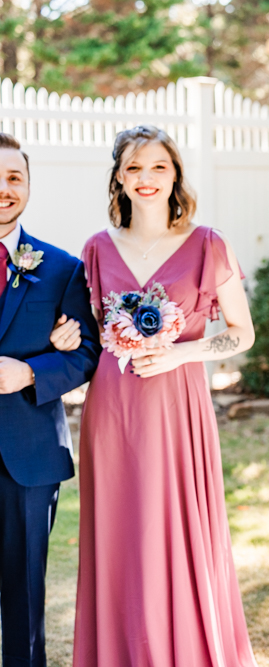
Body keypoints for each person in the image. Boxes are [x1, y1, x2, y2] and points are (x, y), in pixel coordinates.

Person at [51, 125, 258, 666]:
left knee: (179, 527)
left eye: (158, 167)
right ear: (119, 177)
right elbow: (85, 333)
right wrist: (65, 337)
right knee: (121, 533)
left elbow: (242, 331)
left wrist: (181, 354)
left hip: (179, 405)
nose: (147, 178)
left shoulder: (209, 244)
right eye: (135, 168)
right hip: (113, 409)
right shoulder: (96, 249)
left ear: (175, 175)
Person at [0, 133, 100, 667]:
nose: (4, 189)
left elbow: (86, 354)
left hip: (29, 456)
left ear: (29, 186)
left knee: (24, 594)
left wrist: (29, 372)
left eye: (14, 177)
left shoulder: (61, 268)